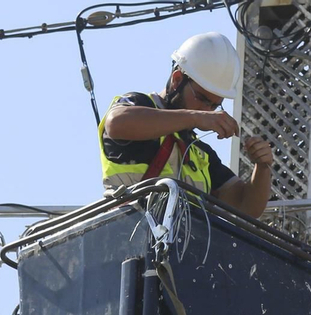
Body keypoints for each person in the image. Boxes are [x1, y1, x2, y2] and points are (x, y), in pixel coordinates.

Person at [98, 31, 276, 218]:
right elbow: (116, 123)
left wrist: (262, 168)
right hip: (129, 235)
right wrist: (195, 117)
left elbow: (245, 207)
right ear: (177, 80)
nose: (207, 110)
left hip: (182, 245)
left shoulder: (200, 154)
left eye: (214, 105)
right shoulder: (140, 105)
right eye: (202, 99)